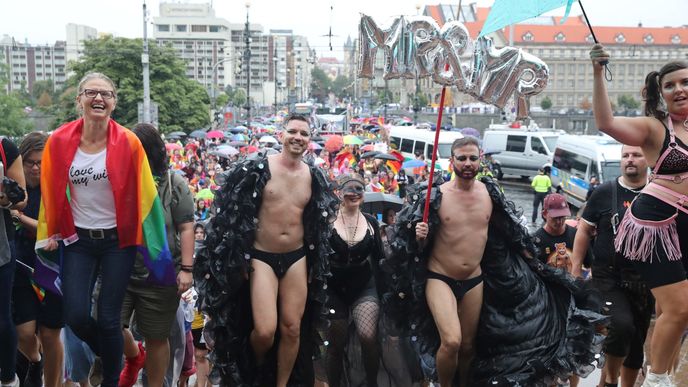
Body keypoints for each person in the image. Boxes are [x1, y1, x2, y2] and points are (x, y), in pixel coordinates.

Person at [385, 136, 606, 386]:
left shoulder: (489, 193)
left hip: (474, 280)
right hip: (440, 278)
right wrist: (419, 237)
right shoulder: (435, 197)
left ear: (480, 159)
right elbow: (415, 250)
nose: (468, 163)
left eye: (472, 158)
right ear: (451, 161)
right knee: (452, 341)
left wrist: (535, 264)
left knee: (469, 347)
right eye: (462, 158)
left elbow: (509, 233)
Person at [35, 72, 173, 387]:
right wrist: (51, 229)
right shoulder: (58, 140)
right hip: (77, 240)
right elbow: (51, 186)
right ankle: (122, 354)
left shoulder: (128, 142)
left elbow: (145, 194)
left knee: (110, 319)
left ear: (113, 103)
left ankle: (111, 380)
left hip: (117, 241)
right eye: (91, 92)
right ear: (79, 99)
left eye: (106, 94)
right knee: (76, 316)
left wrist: (151, 240)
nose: (99, 98)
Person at [194, 114, 338, 386]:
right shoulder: (259, 168)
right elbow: (231, 215)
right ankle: (257, 373)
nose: (298, 137)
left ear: (310, 140)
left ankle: (281, 384)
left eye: (304, 133)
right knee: (265, 331)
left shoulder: (314, 177)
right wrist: (237, 258)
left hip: (296, 258)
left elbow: (318, 226)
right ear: (282, 134)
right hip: (261, 258)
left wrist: (315, 265)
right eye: (293, 131)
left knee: (292, 329)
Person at [591, 46, 688, 387]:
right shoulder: (655, 127)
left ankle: (665, 371)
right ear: (661, 93)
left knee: (671, 312)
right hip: (656, 223)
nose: (679, 89)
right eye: (670, 85)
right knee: (678, 308)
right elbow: (606, 122)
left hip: (684, 225)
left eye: (685, 82)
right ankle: (656, 380)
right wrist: (598, 72)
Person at [118, 123, 195, 387]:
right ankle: (133, 358)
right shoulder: (117, 180)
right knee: (106, 324)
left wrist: (186, 269)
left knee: (157, 336)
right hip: (120, 269)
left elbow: (186, 226)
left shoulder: (174, 183)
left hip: (160, 274)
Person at [571, 145, 653, 387]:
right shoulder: (605, 192)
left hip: (645, 279)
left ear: (648, 159)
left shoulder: (658, 193)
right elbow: (584, 229)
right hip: (608, 276)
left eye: (636, 155)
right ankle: (609, 381)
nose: (630, 160)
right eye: (625, 155)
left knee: (637, 340)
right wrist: (576, 269)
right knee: (620, 326)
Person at [316, 174, 384, 387]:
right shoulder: (326, 221)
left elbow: (380, 259)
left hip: (364, 286)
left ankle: (371, 382)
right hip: (333, 290)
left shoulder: (372, 223)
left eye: (359, 189)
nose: (354, 193)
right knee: (336, 344)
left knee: (368, 335)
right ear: (339, 193)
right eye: (349, 189)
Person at [11, 132, 64, 387]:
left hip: (52, 268)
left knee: (51, 335)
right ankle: (35, 359)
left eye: (40, 162)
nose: (34, 167)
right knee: (24, 332)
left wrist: (18, 217)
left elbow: (52, 229)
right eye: (29, 162)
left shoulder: (56, 188)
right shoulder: (13, 188)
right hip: (21, 266)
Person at [0, 136, 27, 387]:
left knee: (2, 316)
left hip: (1, 247)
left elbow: (21, 199)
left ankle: (8, 378)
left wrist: (5, 198)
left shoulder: (5, 147)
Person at [532, 193, 577, 273]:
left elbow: (588, 264)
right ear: (544, 214)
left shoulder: (575, 235)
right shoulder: (536, 240)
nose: (559, 222)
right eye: (555, 217)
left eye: (562, 217)